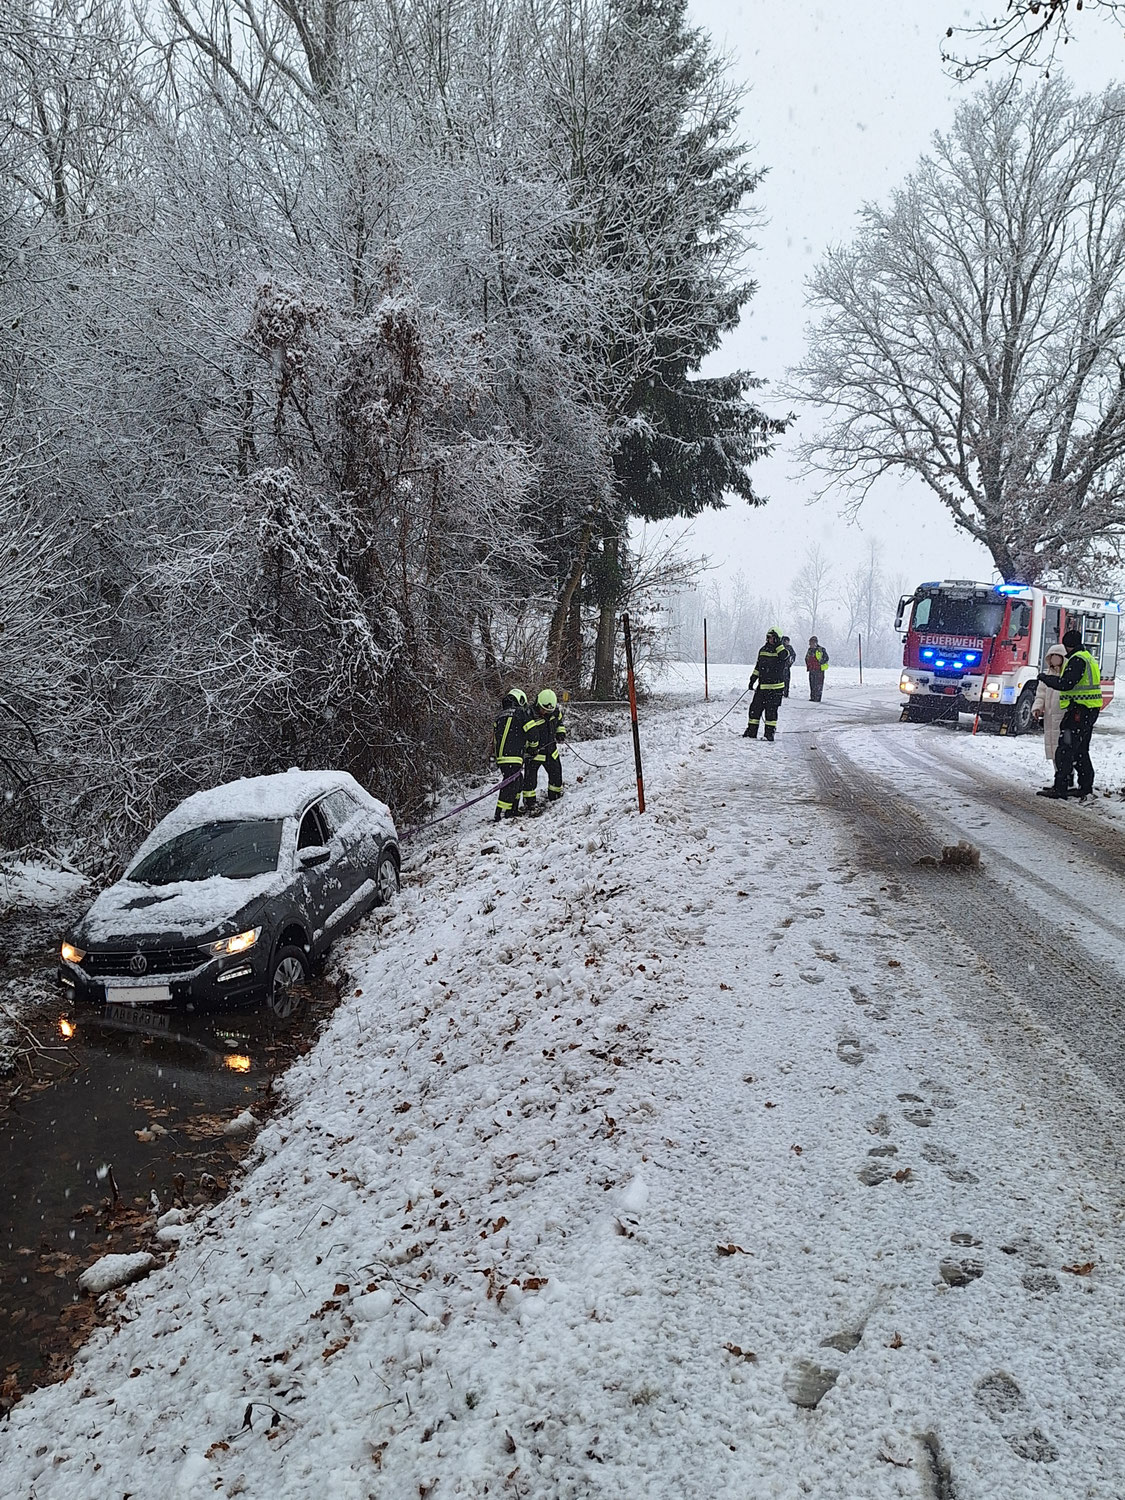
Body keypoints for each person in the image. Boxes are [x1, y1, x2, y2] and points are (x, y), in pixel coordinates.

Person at [1035, 629, 1102, 802]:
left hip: (1078, 712)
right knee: (1080, 750)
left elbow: (1066, 684)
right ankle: (1084, 786)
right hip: (1089, 711)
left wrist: (1045, 678)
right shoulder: (1088, 657)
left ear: (1067, 646)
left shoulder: (1077, 660)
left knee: (1065, 750)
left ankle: (1061, 787)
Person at [1031, 643, 1075, 795]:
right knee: (1053, 749)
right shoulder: (1047, 676)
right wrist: (1037, 708)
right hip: (1049, 717)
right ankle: (1059, 777)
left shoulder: (1067, 676)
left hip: (1062, 718)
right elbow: (1041, 694)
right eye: (1052, 657)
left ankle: (1066, 778)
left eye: (1058, 656)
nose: (1054, 660)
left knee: (1063, 750)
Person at [492, 688, 534, 822]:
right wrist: (533, 747)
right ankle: (501, 813)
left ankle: (513, 809)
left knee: (517, 780)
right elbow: (532, 732)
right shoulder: (520, 713)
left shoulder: (500, 715)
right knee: (510, 783)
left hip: (502, 756)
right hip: (513, 755)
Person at [524, 688, 567, 814]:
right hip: (534, 753)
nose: (545, 712)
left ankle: (554, 797)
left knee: (556, 775)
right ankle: (530, 803)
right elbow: (525, 733)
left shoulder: (556, 712)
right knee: (530, 780)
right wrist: (529, 748)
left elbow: (559, 723)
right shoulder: (529, 714)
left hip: (551, 751)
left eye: (548, 711)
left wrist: (560, 733)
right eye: (543, 709)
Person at [743, 628, 789, 741]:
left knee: (771, 712)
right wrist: (753, 679)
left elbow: (784, 656)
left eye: (773, 637)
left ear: (778, 639)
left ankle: (769, 734)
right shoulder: (763, 650)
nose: (770, 639)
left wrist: (778, 645)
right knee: (754, 709)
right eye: (768, 637)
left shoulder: (783, 651)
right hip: (762, 687)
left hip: (775, 688)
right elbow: (758, 666)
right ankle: (751, 731)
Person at [806, 636, 829, 701]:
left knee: (818, 684)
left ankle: (817, 698)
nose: (810, 644)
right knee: (812, 684)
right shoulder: (809, 650)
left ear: (815, 643)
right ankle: (813, 697)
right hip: (812, 670)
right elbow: (807, 658)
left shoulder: (821, 649)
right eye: (810, 643)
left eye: (811, 643)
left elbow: (826, 658)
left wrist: (820, 663)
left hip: (819, 670)